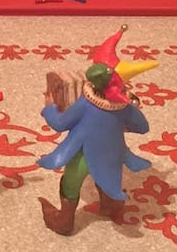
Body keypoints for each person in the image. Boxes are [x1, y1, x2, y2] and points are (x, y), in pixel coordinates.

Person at [36, 27, 159, 236]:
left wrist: (49, 107)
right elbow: (142, 127)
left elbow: (60, 123)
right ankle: (111, 205)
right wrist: (131, 110)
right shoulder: (124, 108)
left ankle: (64, 220)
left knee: (71, 182)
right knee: (108, 176)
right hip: (112, 153)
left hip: (81, 153)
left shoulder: (86, 104)